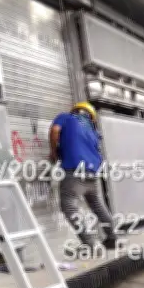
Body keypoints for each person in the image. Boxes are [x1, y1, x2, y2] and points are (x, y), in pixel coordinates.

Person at [49, 101, 117, 250]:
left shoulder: (66, 117)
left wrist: (54, 153)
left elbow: (55, 130)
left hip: (75, 170)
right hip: (93, 171)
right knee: (97, 205)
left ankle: (90, 243)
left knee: (68, 206)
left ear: (75, 110)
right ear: (91, 117)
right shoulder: (93, 130)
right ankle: (112, 237)